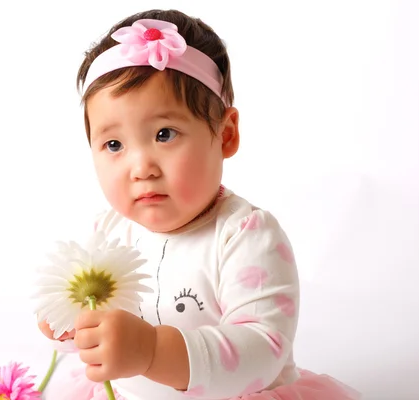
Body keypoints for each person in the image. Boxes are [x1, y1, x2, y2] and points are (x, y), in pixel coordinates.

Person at [38, 9, 361, 400]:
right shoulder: (108, 231)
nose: (141, 167)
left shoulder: (245, 236)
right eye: (114, 145)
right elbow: (103, 333)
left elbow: (262, 351)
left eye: (164, 133)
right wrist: (76, 330)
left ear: (225, 135)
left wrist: (152, 352)